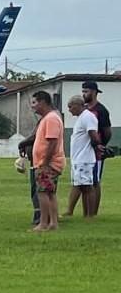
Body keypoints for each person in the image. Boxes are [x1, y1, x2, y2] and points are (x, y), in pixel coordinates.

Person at [29, 90, 65, 232]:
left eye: (35, 103)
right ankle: (53, 223)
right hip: (46, 162)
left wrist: (44, 163)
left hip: (48, 164)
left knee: (43, 192)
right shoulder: (48, 118)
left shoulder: (51, 119)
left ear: (43, 102)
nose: (33, 106)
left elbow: (52, 142)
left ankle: (43, 223)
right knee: (50, 193)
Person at [65, 95, 99, 218]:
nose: (69, 110)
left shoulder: (87, 117)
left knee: (87, 187)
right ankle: (86, 214)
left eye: (70, 106)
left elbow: (93, 134)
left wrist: (97, 146)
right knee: (81, 186)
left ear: (78, 105)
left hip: (84, 158)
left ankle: (90, 214)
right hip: (78, 158)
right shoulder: (82, 117)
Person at [84, 81, 111, 215]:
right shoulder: (83, 109)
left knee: (95, 181)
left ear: (94, 92)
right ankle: (85, 211)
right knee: (84, 182)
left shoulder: (101, 110)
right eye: (83, 91)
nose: (84, 94)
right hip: (84, 151)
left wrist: (101, 145)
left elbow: (107, 132)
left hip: (96, 153)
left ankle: (93, 212)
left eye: (86, 91)